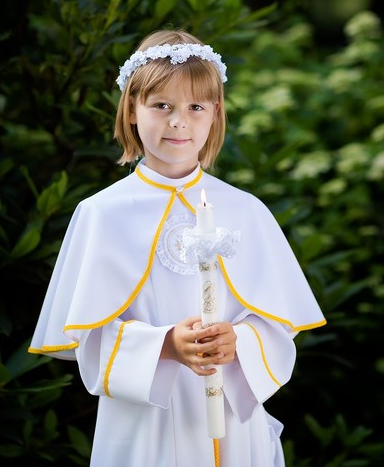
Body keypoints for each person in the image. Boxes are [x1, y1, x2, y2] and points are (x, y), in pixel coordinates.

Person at [28, 29, 326, 467]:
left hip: (234, 422)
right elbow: (88, 339)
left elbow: (277, 329)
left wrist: (239, 341)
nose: (178, 121)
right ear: (132, 108)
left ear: (215, 114)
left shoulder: (246, 211)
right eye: (161, 105)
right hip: (145, 426)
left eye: (195, 107)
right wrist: (166, 345)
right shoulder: (101, 214)